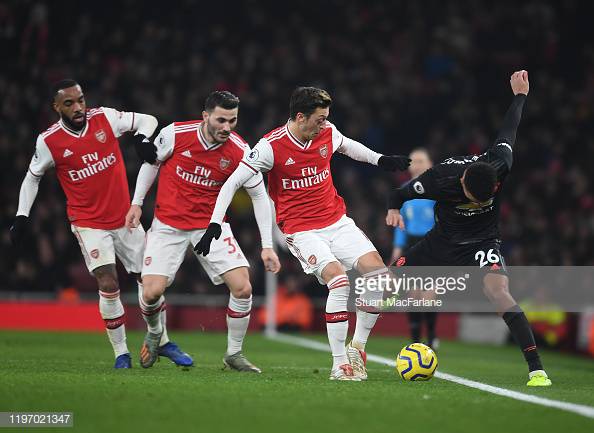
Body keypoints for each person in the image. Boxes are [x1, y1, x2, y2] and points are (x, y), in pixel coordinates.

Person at [194, 87, 410, 381]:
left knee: (378, 276)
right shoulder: (271, 147)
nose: (324, 124)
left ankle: (357, 348)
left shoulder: (327, 132)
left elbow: (347, 145)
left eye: (326, 118)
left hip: (337, 221)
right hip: (302, 230)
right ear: (300, 117)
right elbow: (232, 183)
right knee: (339, 282)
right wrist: (214, 223)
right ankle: (339, 364)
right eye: (319, 119)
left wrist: (380, 159)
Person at [9, 79, 192, 368]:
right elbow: (33, 177)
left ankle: (162, 340)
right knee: (108, 282)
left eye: (80, 100)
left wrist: (142, 138)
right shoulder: (49, 141)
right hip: (89, 223)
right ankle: (121, 353)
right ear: (56, 107)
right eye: (69, 103)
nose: (78, 107)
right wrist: (22, 215)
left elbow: (148, 120)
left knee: (149, 283)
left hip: (125, 218)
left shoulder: (105, 118)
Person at [386, 71, 552, 386]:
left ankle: (537, 370)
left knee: (499, 292)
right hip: (442, 241)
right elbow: (398, 194)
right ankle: (356, 349)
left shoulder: (500, 162)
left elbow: (510, 128)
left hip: (482, 241)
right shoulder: (438, 179)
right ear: (462, 181)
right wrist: (393, 210)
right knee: (386, 281)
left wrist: (520, 96)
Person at [125, 90, 281, 372]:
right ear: (205, 116)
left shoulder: (240, 150)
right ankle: (156, 332)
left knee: (243, 287)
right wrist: (136, 203)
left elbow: (259, 195)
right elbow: (151, 163)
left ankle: (234, 353)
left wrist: (267, 245)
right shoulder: (175, 134)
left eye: (232, 121)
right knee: (151, 293)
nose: (227, 127)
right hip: (168, 225)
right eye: (221, 120)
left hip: (210, 227)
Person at [391, 148, 438, 349]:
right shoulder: (404, 190)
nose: (416, 165)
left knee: (429, 295)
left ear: (430, 164)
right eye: (413, 161)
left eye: (421, 161)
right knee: (412, 295)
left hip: (433, 244)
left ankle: (432, 337)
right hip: (411, 245)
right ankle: (416, 340)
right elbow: (401, 225)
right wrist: (397, 249)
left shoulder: (437, 188)